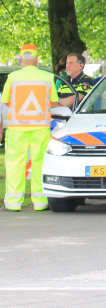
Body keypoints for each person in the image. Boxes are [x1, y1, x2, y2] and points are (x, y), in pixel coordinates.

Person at [1, 44, 59, 212]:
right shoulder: (48, 77)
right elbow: (53, 100)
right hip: (40, 127)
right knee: (40, 163)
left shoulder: (12, 77)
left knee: (14, 164)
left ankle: (13, 203)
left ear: (21, 59)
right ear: (37, 59)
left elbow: (5, 100)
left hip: (17, 128)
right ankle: (40, 202)